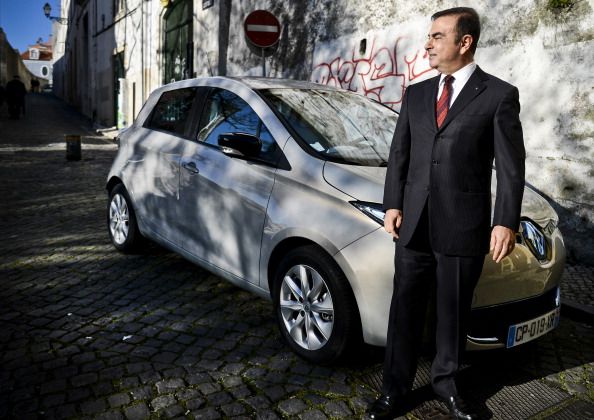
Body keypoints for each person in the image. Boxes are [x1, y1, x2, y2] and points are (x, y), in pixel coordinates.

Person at [368, 7, 525, 420]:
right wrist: (393, 204)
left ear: (464, 41)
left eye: (437, 36)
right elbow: (399, 153)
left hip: (463, 224)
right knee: (404, 309)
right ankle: (393, 390)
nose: (428, 44)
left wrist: (505, 220)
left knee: (453, 314)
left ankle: (447, 384)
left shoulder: (498, 95)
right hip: (414, 222)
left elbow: (511, 166)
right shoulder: (417, 94)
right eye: (430, 36)